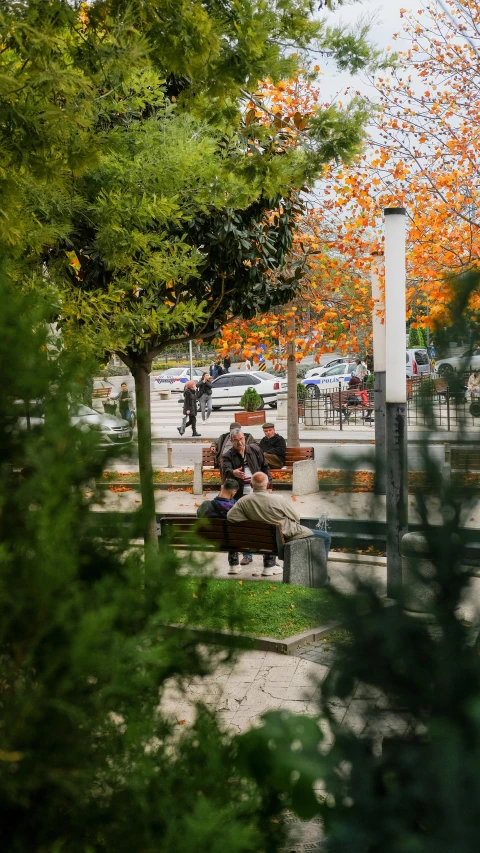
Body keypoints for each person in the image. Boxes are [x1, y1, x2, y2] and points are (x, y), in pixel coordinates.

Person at [227, 472, 331, 576]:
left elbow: (230, 517)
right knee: (325, 537)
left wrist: (251, 518)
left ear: (251, 485)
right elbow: (296, 518)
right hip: (287, 536)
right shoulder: (278, 499)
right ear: (268, 485)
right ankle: (321, 574)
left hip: (263, 540)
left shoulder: (243, 501)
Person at [196, 478, 251, 573]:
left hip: (208, 539)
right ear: (234, 492)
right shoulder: (234, 508)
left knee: (228, 533)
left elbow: (198, 517)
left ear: (222, 487)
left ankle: (234, 564)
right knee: (231, 533)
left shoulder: (205, 505)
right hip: (230, 540)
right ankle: (233, 565)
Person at [222, 431, 271, 500]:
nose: (239, 442)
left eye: (241, 439)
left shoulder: (255, 450)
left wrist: (269, 487)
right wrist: (233, 472)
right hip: (239, 490)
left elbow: (265, 467)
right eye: (236, 440)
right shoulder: (228, 455)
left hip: (258, 487)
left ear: (244, 438)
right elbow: (226, 471)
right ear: (231, 441)